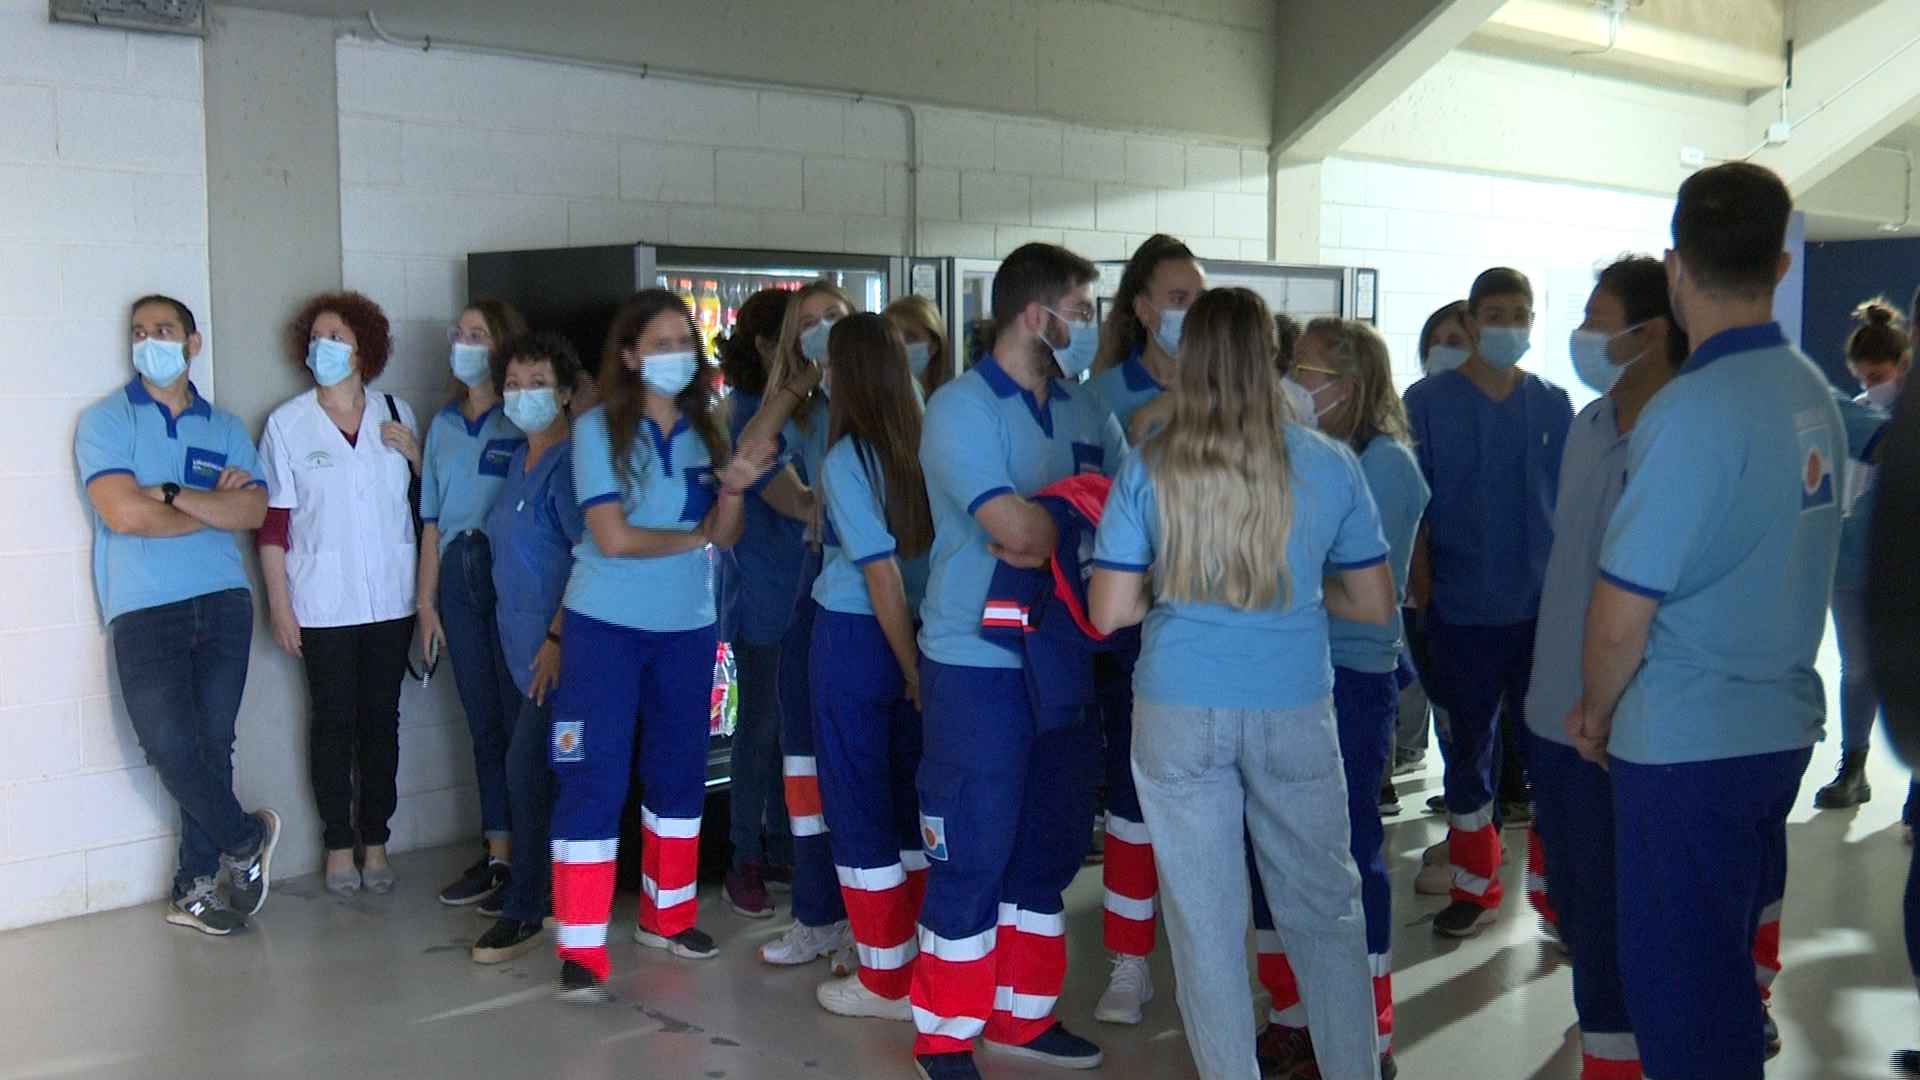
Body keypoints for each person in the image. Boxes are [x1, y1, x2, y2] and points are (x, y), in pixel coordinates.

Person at [1565, 162, 1841, 1080]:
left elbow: (1620, 617)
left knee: (1679, 997)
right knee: (1723, 980)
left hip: (1686, 746)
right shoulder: (1811, 393)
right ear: (1780, 266)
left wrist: (1595, 713)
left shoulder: (1688, 413)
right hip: (1776, 735)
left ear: (1677, 268)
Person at [1089, 287, 1393, 1080]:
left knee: (1206, 927)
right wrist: (1295, 591)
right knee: (1326, 911)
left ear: (1186, 360)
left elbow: (1110, 610)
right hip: (1292, 705)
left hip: (1177, 707)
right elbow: (1373, 602)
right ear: (1272, 358)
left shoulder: (1150, 464)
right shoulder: (1330, 463)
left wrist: (1176, 587)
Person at [910, 243, 1124, 1079]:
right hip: (979, 663)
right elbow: (1020, 531)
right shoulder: (960, 409)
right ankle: (944, 1034)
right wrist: (1079, 520)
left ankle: (1022, 1016)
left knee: (1049, 844)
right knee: (972, 844)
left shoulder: (1084, 407)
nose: (1091, 326)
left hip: (1063, 656)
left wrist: (1060, 520)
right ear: (1038, 315)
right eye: (1083, 309)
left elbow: (1132, 516)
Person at [546, 289, 774, 1002]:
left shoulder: (710, 428)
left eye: (684, 342)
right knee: (593, 776)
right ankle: (582, 945)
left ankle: (668, 917)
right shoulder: (596, 430)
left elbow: (725, 535)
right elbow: (612, 538)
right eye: (660, 343)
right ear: (629, 355)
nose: (676, 355)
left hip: (687, 626)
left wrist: (733, 492)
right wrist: (695, 537)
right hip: (605, 626)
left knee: (678, 771)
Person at [1521, 255, 1686, 1078]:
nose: (1584, 336)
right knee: (1583, 908)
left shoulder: (1681, 434)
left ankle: (1622, 1058)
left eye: (1598, 321)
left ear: (1650, 334)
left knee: (1631, 913)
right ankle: (1608, 1046)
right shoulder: (1588, 426)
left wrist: (1604, 704)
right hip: (1557, 712)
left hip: (1626, 723)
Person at [1254, 318, 1428, 1080]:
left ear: (1348, 386)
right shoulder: (1302, 453)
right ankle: (1293, 1014)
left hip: (1351, 677)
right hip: (1290, 671)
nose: (1291, 382)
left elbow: (1366, 591)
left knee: (1347, 853)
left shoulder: (1386, 466)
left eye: (1307, 371)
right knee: (1273, 852)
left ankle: (1366, 1031)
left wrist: (1274, 575)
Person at [75, 295, 280, 936]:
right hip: (142, 607)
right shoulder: (105, 421)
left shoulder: (224, 427)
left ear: (193, 344)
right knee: (168, 746)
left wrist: (167, 494)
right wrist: (207, 507)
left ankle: (193, 888)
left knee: (213, 745)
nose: (149, 341)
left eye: (163, 330)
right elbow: (122, 514)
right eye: (139, 332)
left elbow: (252, 512)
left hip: (222, 602)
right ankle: (244, 839)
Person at [1403, 268, 1573, 938]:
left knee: (1548, 760)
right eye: (1495, 315)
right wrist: (1424, 603)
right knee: (1467, 758)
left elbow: (1573, 512)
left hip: (1540, 616)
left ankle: (1558, 899)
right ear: (1472, 322)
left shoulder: (1552, 405)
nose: (1508, 327)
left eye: (1520, 315)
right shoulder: (1426, 403)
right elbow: (1415, 514)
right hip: (1459, 613)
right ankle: (1474, 886)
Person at [1081, 234, 1207, 1025]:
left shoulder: (1231, 387)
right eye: (1177, 299)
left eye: (1200, 298)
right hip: (1133, 623)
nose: (1190, 313)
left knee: (1207, 803)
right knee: (1132, 797)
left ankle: (1209, 962)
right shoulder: (1104, 397)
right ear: (1142, 308)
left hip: (1220, 626)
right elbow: (1095, 507)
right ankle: (1130, 961)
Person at [258, 291, 419, 897]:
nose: (322, 348)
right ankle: (335, 845)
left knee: (382, 722)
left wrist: (417, 456)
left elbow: (427, 503)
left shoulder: (396, 413)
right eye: (316, 338)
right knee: (332, 723)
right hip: (321, 602)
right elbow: (272, 525)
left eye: (336, 337)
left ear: (363, 349)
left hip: (392, 600)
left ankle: (375, 840)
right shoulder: (288, 424)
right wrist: (279, 604)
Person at [807, 314, 936, 1020]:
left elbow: (878, 572)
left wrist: (906, 666)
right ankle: (920, 960)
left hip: (859, 641)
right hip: (921, 632)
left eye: (830, 365)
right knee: (909, 806)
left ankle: (884, 976)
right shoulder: (925, 443)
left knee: (856, 805)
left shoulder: (846, 458)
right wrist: (917, 664)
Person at [738, 281, 859, 970]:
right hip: (816, 586)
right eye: (806, 324)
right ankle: (817, 913)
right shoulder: (805, 410)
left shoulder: (891, 401)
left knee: (858, 766)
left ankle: (870, 923)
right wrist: (798, 381)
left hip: (876, 591)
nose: (821, 331)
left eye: (832, 320)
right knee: (803, 762)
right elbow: (756, 451)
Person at [469, 331, 587, 964]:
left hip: (556, 652)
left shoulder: (571, 466)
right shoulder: (520, 458)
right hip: (513, 646)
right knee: (530, 776)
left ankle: (527, 907)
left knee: (529, 774)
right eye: (513, 384)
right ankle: (540, 895)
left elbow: (588, 558)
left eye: (538, 383)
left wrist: (557, 638)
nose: (523, 395)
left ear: (565, 393)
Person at [416, 300, 532, 910]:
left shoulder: (522, 420)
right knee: (482, 722)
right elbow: (431, 520)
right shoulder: (441, 425)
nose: (464, 344)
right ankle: (499, 855)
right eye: (458, 334)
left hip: (509, 572)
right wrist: (425, 603)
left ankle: (534, 860)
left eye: (477, 334)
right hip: (456, 575)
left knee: (520, 723)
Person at [714, 288, 809, 919]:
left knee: (790, 730)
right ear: (767, 346)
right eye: (802, 336)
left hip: (807, 589)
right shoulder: (748, 416)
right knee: (760, 730)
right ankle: (744, 856)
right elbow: (793, 500)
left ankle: (780, 843)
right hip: (765, 594)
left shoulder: (810, 411)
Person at [1813, 299, 1909, 810]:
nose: (1872, 385)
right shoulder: (1849, 414)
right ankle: (1853, 767)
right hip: (1850, 565)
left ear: (1902, 364)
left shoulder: (1904, 423)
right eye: (1864, 377)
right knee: (1857, 669)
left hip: (1903, 566)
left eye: (1880, 376)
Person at [1395, 301, 1471, 782]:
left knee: (1473, 711)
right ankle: (1464, 796)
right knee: (1439, 693)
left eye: (1456, 342)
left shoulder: (1511, 410)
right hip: (1418, 584)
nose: (1443, 351)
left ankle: (1478, 801)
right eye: (1436, 343)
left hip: (1474, 590)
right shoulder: (1416, 404)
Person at [885, 293, 956, 401]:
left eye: (910, 337)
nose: (900, 345)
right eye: (893, 337)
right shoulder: (879, 400)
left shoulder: (953, 399)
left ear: (934, 345)